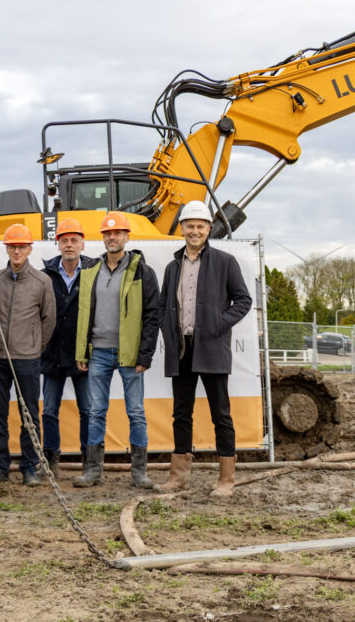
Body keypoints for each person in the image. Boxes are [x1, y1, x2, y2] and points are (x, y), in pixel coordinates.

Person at [157, 200, 252, 496]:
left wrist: (218, 324)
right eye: (189, 226)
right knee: (181, 414)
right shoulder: (174, 267)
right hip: (182, 350)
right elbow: (163, 307)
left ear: (208, 229)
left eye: (199, 226)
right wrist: (167, 330)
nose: (194, 231)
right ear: (182, 229)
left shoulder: (225, 262)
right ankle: (179, 478)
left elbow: (243, 301)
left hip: (211, 348)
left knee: (220, 414)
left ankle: (226, 481)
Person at [73, 212, 161, 489]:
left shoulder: (142, 271)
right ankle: (93, 471)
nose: (113, 237)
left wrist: (144, 355)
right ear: (103, 237)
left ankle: (139, 473)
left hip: (129, 354)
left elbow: (152, 315)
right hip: (98, 352)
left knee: (135, 411)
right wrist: (82, 352)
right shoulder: (90, 271)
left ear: (126, 236)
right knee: (96, 411)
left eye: (118, 233)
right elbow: (83, 313)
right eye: (108, 234)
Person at [0, 223, 55, 487]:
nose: (17, 251)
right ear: (7, 248)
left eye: (21, 246)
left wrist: (35, 347)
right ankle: (0, 468)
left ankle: (28, 467)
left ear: (29, 248)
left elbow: (49, 319)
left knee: (29, 416)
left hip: (27, 359)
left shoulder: (42, 282)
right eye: (12, 246)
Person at [39, 218, 97, 479]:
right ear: (58, 243)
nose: (69, 245)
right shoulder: (45, 274)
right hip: (51, 354)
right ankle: (50, 461)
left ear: (82, 243)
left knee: (87, 410)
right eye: (65, 240)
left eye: (74, 240)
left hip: (82, 355)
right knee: (49, 410)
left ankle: (88, 461)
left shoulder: (94, 272)